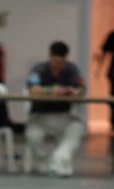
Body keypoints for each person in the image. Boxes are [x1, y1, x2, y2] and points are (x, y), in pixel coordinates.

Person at [26, 41, 87, 177]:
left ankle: (60, 157)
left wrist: (74, 91)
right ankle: (44, 161)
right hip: (40, 116)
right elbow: (32, 89)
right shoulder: (40, 69)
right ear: (50, 57)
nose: (58, 65)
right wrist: (50, 90)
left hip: (63, 116)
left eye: (61, 62)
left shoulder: (71, 69)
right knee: (33, 135)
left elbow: (81, 89)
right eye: (55, 61)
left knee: (77, 128)